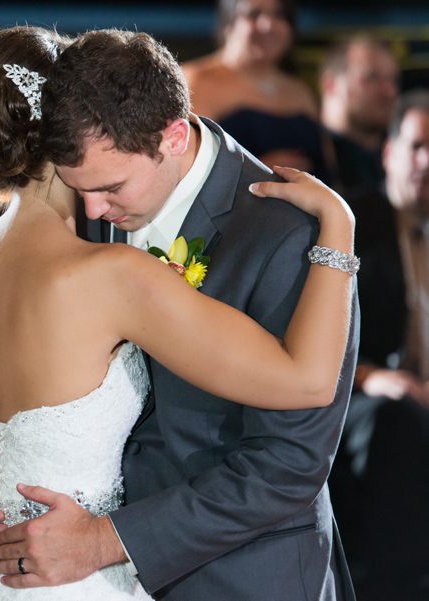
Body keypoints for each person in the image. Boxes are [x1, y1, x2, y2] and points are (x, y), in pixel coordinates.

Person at [0, 27, 358, 600]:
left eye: (111, 188)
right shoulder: (89, 206)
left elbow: (292, 464)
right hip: (65, 572)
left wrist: (102, 540)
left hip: (237, 578)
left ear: (174, 136)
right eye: (87, 190)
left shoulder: (283, 232)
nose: (96, 208)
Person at [341, 90, 429, 600]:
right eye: (417, 145)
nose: (427, 161)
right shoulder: (351, 221)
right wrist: (374, 376)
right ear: (389, 152)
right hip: (357, 388)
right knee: (393, 418)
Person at [183, 0, 333, 182]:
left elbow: (329, 167)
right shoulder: (195, 81)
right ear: (228, 23)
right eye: (253, 14)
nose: (268, 25)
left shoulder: (300, 92)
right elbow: (183, 166)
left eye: (279, 15)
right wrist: (256, 171)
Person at [320, 36, 400, 198]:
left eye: (393, 80)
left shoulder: (404, 159)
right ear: (331, 85)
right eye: (372, 77)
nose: (390, 91)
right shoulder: (304, 161)